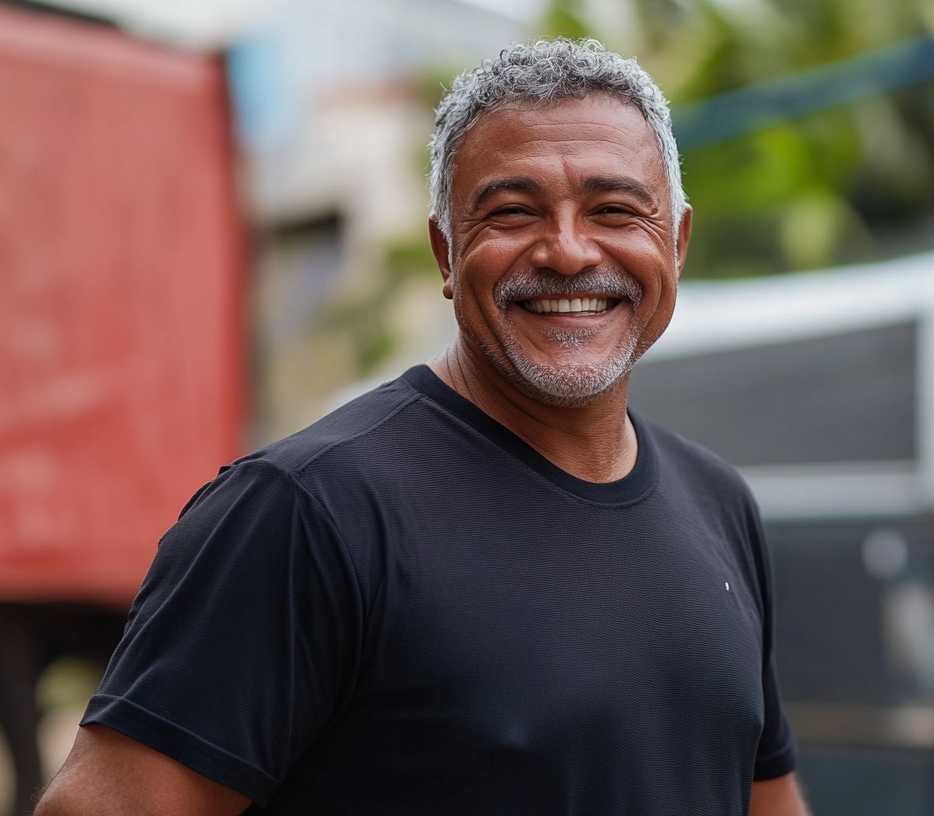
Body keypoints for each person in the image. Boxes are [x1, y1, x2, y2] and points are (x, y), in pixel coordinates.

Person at [36, 39, 808, 816]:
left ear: (674, 242)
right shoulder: (307, 512)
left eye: (614, 210)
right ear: (446, 252)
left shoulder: (718, 504)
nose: (569, 251)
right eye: (512, 212)